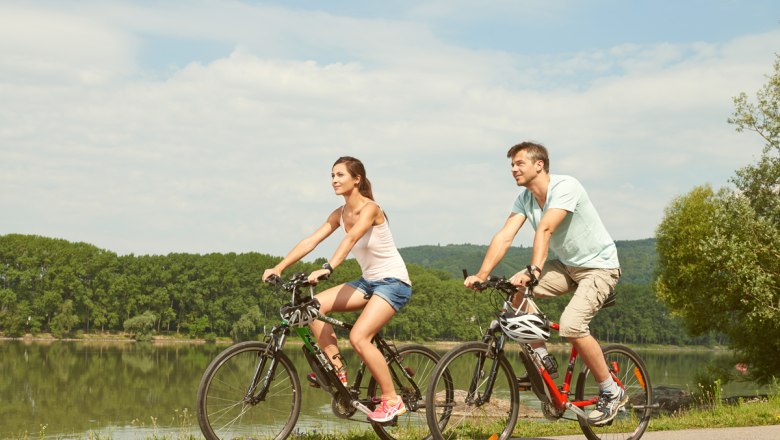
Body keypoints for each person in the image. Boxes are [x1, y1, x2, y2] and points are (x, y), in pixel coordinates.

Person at [464, 141, 625, 426]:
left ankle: (612, 391)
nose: (513, 169)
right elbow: (504, 236)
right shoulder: (525, 199)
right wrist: (482, 274)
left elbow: (546, 229)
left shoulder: (566, 187)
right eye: (511, 165)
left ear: (539, 164)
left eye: (519, 163)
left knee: (572, 325)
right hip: (567, 266)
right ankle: (541, 357)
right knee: (514, 292)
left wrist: (534, 269)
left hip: (599, 268)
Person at [262, 156, 412, 423]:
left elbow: (351, 238)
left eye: (340, 175)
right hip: (368, 282)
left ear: (357, 179)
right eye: (332, 175)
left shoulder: (371, 209)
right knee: (312, 309)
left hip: (393, 283)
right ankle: (338, 371)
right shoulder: (339, 214)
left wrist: (328, 267)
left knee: (359, 337)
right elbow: (311, 240)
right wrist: (279, 266)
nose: (334, 180)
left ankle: (392, 400)